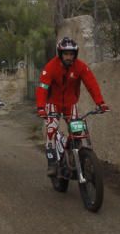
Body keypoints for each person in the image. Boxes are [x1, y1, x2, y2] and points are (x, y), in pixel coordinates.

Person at [36, 37, 110, 176]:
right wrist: (41, 107)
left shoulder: (80, 67)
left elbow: (91, 84)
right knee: (51, 130)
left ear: (75, 55)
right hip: (53, 104)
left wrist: (100, 103)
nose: (69, 57)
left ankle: (75, 155)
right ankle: (52, 163)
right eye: (66, 54)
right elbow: (43, 87)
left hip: (70, 105)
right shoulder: (51, 67)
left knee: (77, 132)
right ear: (60, 54)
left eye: (71, 54)